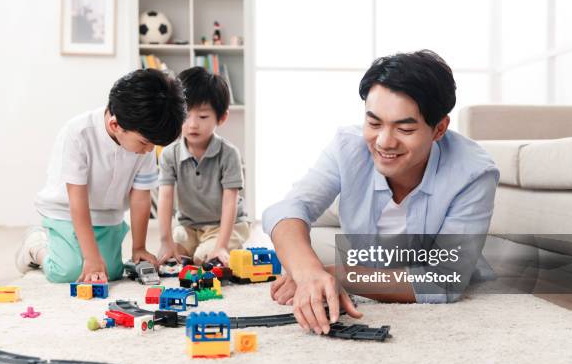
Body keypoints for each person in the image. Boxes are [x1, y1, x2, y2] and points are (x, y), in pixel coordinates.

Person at [263, 50, 499, 335]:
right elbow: (289, 208)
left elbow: (442, 281)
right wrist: (308, 272)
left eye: (405, 128)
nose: (384, 142)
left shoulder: (473, 173)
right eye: (374, 123)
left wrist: (338, 274)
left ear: (439, 129)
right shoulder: (347, 148)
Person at [15, 69, 186, 283]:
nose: (149, 151)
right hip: (65, 212)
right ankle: (35, 246)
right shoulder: (79, 133)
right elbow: (77, 199)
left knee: (111, 272)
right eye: (144, 143)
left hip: (107, 216)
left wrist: (139, 247)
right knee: (68, 271)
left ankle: (89, 254)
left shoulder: (143, 143)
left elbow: (140, 197)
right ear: (115, 125)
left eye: (154, 145)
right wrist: (91, 256)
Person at [156, 66, 250, 267]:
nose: (192, 124)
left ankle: (221, 247)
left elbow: (229, 203)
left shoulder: (229, 154)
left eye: (203, 117)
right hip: (189, 226)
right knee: (173, 258)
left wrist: (221, 246)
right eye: (185, 115)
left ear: (221, 118)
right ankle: (195, 248)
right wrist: (166, 242)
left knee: (205, 259)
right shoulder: (169, 154)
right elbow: (165, 198)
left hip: (227, 226)